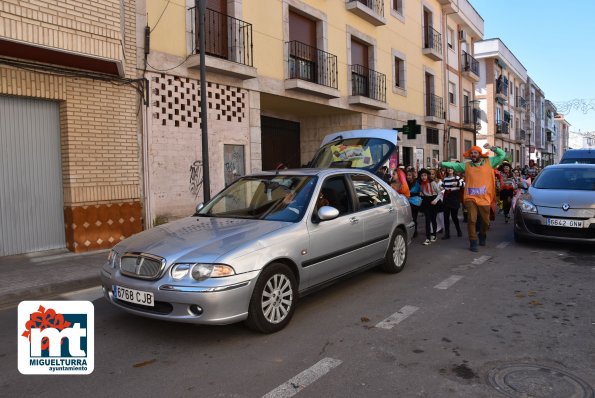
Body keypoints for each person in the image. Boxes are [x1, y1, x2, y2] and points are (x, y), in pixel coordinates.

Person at [439, 143, 506, 252]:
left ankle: (482, 234)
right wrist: (441, 163)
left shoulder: (490, 162)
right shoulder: (467, 165)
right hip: (470, 198)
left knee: (485, 222)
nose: (473, 155)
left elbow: (502, 155)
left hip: (485, 198)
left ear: (480, 154)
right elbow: (454, 166)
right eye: (471, 153)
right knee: (472, 219)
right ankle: (473, 241)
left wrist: (492, 148)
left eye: (475, 153)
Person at [418, 168, 441, 245]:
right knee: (427, 220)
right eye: (422, 175)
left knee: (433, 219)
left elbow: (439, 193)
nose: (423, 177)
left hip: (433, 200)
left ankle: (434, 235)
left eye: (425, 175)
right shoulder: (421, 184)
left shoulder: (433, 183)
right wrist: (422, 195)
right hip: (426, 202)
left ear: (427, 175)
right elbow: (422, 192)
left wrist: (436, 200)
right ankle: (427, 238)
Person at [441, 166, 464, 239]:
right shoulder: (445, 179)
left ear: (453, 170)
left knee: (454, 217)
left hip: (454, 198)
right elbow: (442, 187)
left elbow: (465, 185)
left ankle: (458, 230)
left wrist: (457, 184)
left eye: (451, 168)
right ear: (447, 170)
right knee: (446, 217)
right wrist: (441, 187)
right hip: (446, 198)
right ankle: (447, 234)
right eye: (448, 168)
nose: (449, 169)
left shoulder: (457, 178)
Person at [406, 170, 421, 238]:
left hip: (415, 202)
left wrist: (408, 192)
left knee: (414, 218)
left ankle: (415, 232)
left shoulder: (416, 183)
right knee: (409, 218)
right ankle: (411, 231)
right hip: (407, 202)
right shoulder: (406, 183)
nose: (408, 176)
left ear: (412, 176)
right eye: (407, 175)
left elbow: (415, 191)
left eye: (410, 175)